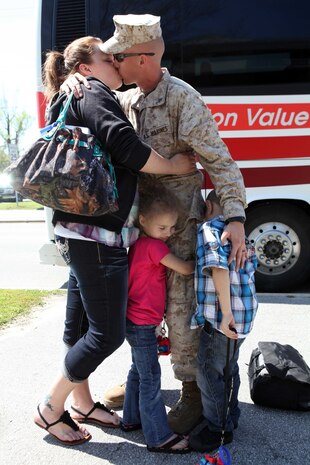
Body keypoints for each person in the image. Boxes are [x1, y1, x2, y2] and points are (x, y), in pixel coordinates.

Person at [61, 13, 248, 434]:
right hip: (136, 227)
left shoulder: (183, 99)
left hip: (177, 230)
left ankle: (192, 392)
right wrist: (76, 82)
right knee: (141, 308)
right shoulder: (126, 100)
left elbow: (219, 158)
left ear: (142, 58)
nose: (112, 62)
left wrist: (234, 215)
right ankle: (143, 380)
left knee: (181, 311)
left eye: (118, 56)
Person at [33, 36, 196, 446]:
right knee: (104, 333)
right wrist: (173, 165)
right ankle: (51, 408)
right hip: (97, 232)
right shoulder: (92, 92)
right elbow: (126, 147)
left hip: (75, 228)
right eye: (109, 58)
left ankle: (83, 403)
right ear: (86, 68)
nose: (118, 62)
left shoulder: (72, 93)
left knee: (81, 324)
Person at [121, 180, 194, 453]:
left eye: (173, 227)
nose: (168, 233)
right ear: (143, 220)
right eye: (162, 227)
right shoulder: (155, 247)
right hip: (143, 322)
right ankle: (158, 437)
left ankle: (131, 419)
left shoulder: (137, 244)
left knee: (137, 372)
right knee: (151, 378)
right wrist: (205, 260)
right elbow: (185, 269)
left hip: (132, 319)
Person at [189, 190, 258, 452]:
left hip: (222, 317)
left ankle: (217, 428)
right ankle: (232, 415)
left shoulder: (210, 228)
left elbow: (217, 266)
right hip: (245, 315)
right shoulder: (243, 235)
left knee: (208, 371)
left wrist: (225, 313)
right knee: (229, 367)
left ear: (207, 205)